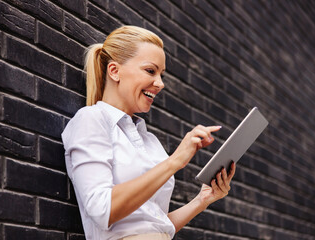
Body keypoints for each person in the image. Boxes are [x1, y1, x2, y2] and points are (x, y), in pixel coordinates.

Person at [61, 25, 236, 240]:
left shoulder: (149, 140)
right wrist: (174, 162)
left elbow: (156, 225)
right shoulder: (91, 119)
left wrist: (203, 200)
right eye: (150, 71)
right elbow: (102, 210)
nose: (160, 84)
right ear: (114, 71)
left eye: (161, 74)